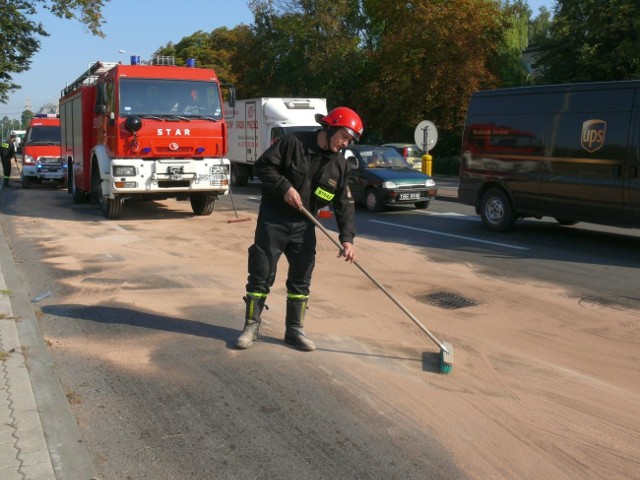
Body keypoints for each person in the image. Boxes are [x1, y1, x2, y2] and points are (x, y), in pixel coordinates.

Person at [236, 106, 364, 351]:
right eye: (344, 137)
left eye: (349, 140)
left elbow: (344, 204)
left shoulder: (340, 166)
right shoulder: (292, 143)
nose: (345, 144)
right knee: (261, 274)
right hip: (273, 220)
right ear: (330, 128)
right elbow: (263, 167)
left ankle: (294, 330)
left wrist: (347, 239)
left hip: (305, 225)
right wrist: (285, 187)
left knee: (301, 279)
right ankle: (251, 326)